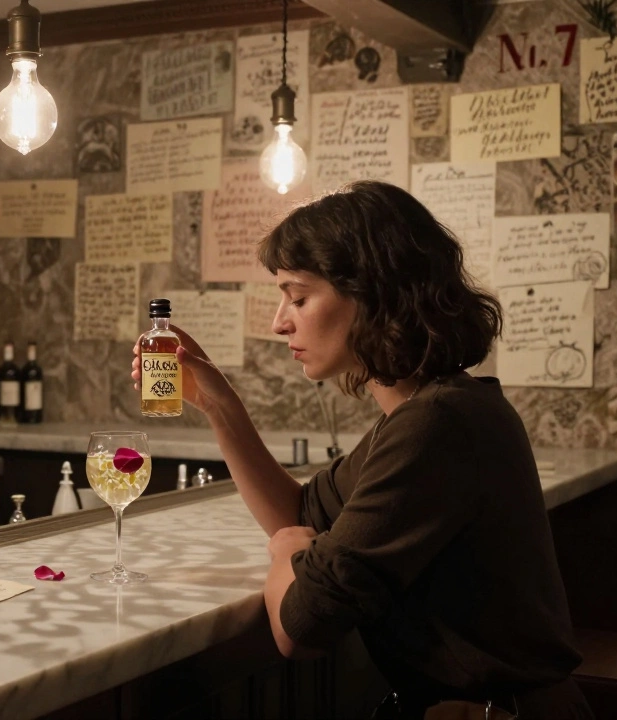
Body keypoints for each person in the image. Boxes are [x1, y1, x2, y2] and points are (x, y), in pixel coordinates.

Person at [133, 181, 592, 719]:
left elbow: (299, 629)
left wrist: (287, 550)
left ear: (374, 295)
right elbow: (302, 513)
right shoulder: (430, 410)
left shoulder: (437, 425)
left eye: (298, 296)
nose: (280, 321)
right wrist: (220, 405)